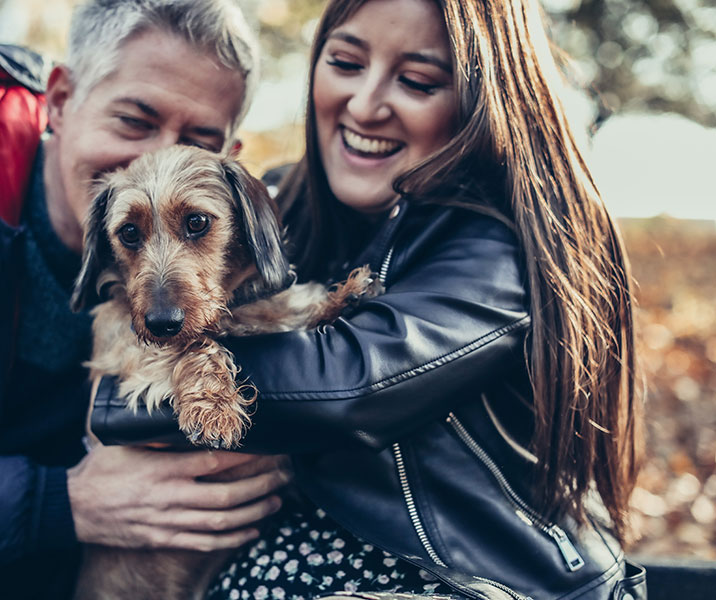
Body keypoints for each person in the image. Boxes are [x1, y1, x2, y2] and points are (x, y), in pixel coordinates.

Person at [90, 0, 647, 598]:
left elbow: (348, 385)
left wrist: (123, 405)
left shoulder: (504, 247)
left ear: (479, 99)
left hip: (470, 581)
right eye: (346, 62)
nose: (364, 104)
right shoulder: (286, 204)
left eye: (416, 80)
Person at [0, 1, 291, 599]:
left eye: (198, 139)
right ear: (60, 100)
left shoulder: (224, 260)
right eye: (134, 121)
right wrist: (63, 503)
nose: (154, 162)